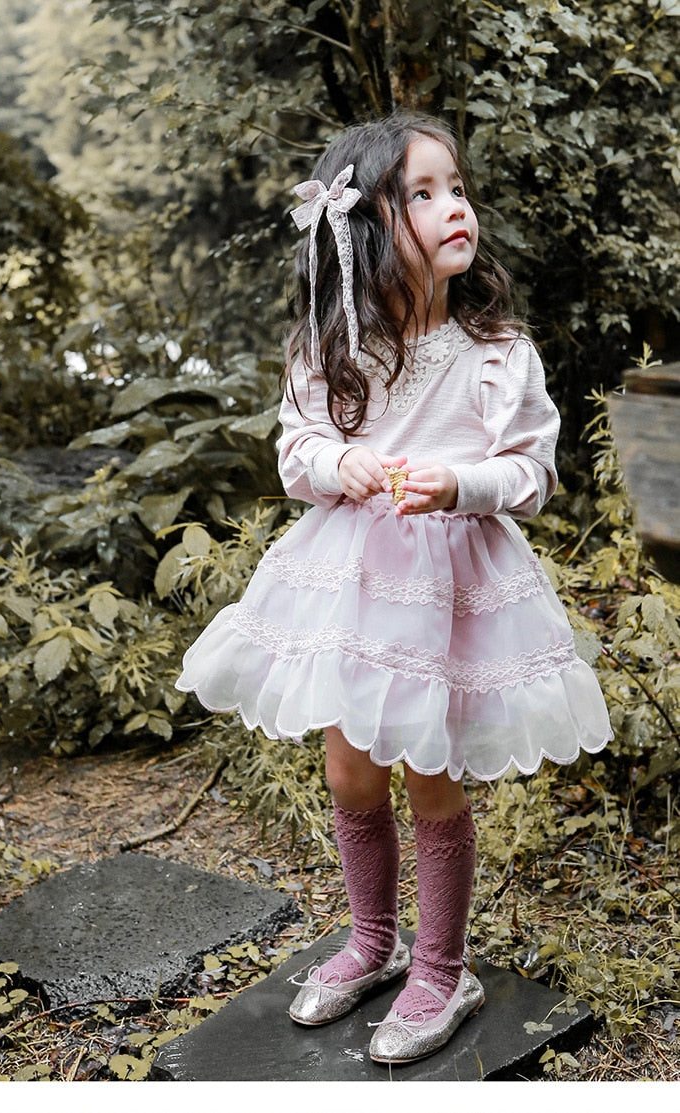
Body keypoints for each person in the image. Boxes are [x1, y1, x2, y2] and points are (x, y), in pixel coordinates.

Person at [175, 111, 612, 1064]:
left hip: (447, 592)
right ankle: (373, 939)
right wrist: (341, 463)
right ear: (369, 225)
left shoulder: (497, 353)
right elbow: (297, 451)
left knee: (430, 772)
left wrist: (461, 482)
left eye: (457, 188)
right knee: (350, 767)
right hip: (352, 589)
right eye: (424, 192)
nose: (456, 207)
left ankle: (443, 967)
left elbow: (533, 473)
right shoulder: (334, 348)